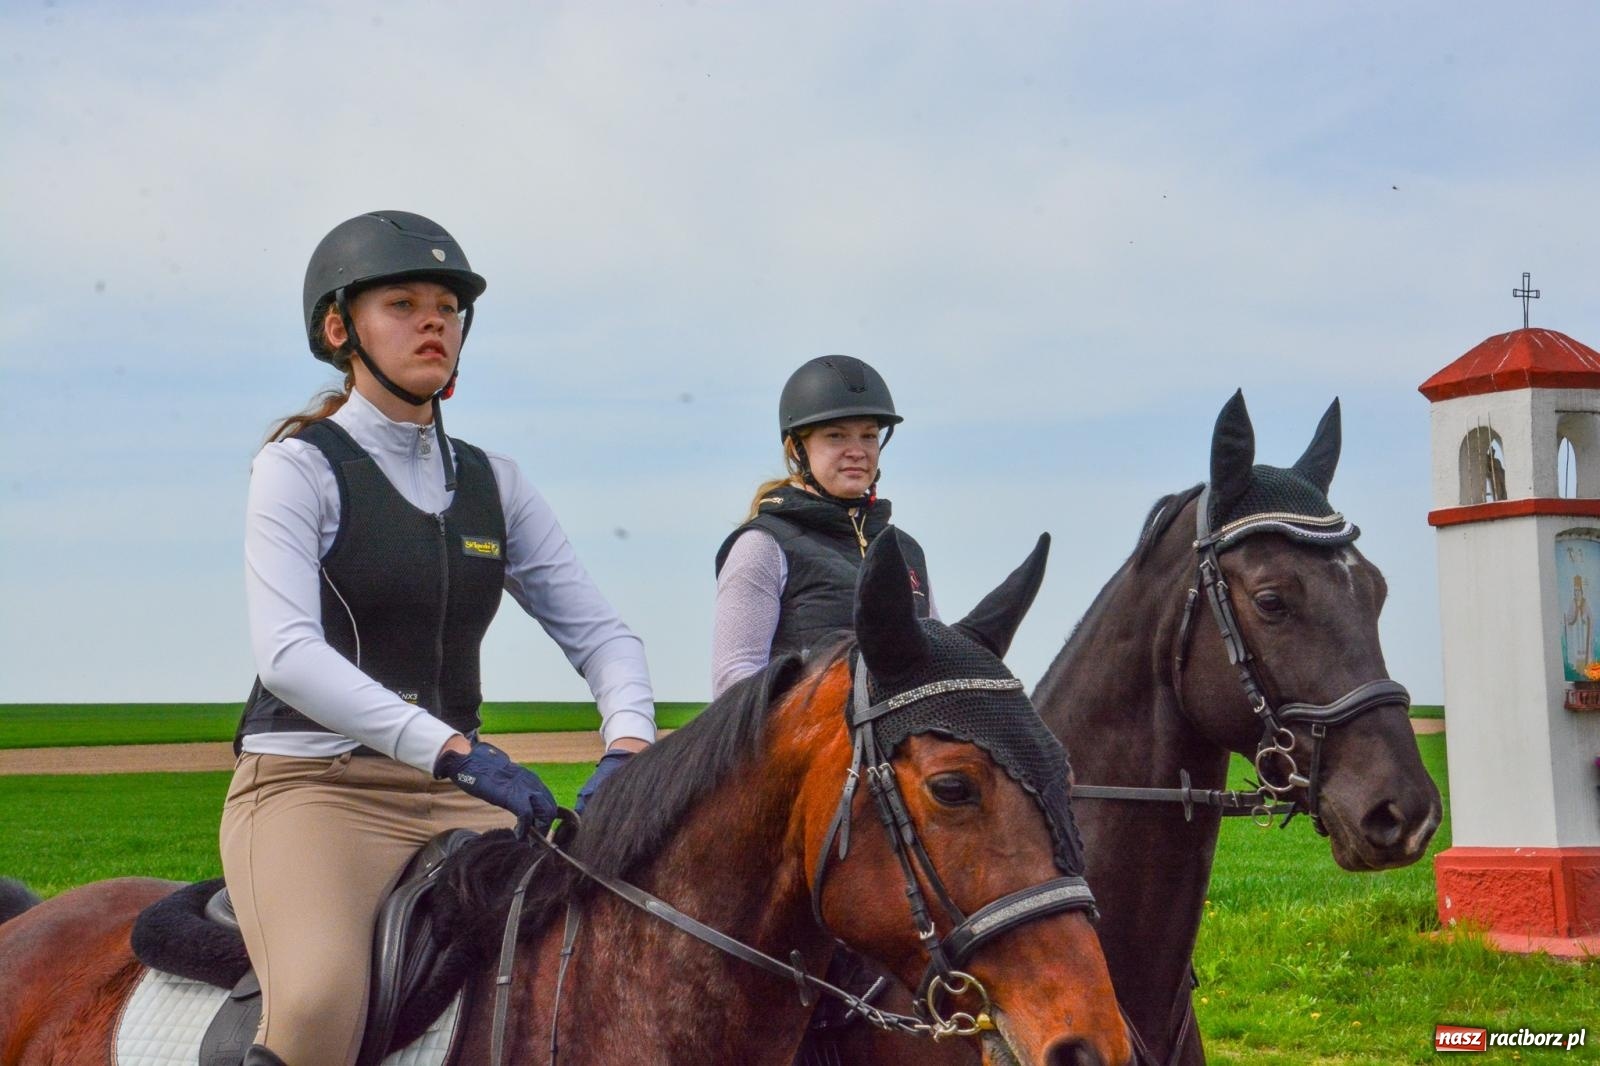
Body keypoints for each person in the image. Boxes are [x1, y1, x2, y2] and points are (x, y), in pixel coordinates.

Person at [222, 210, 655, 1066]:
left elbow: (603, 634)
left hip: (456, 795)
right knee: (316, 1002)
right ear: (340, 328)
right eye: (404, 303)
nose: (434, 321)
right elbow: (289, 655)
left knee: (598, 963)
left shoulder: (497, 483)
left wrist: (631, 742)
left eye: (449, 307)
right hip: (313, 789)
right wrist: (457, 750)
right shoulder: (297, 467)